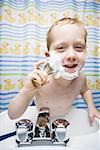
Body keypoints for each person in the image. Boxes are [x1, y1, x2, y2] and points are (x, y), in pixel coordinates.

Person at [8, 17, 100, 126]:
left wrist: (91, 107)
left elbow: (85, 90)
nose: (71, 55)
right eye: (61, 48)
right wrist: (27, 90)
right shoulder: (41, 80)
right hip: (40, 116)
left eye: (79, 47)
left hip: (65, 117)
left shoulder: (81, 78)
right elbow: (12, 115)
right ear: (48, 56)